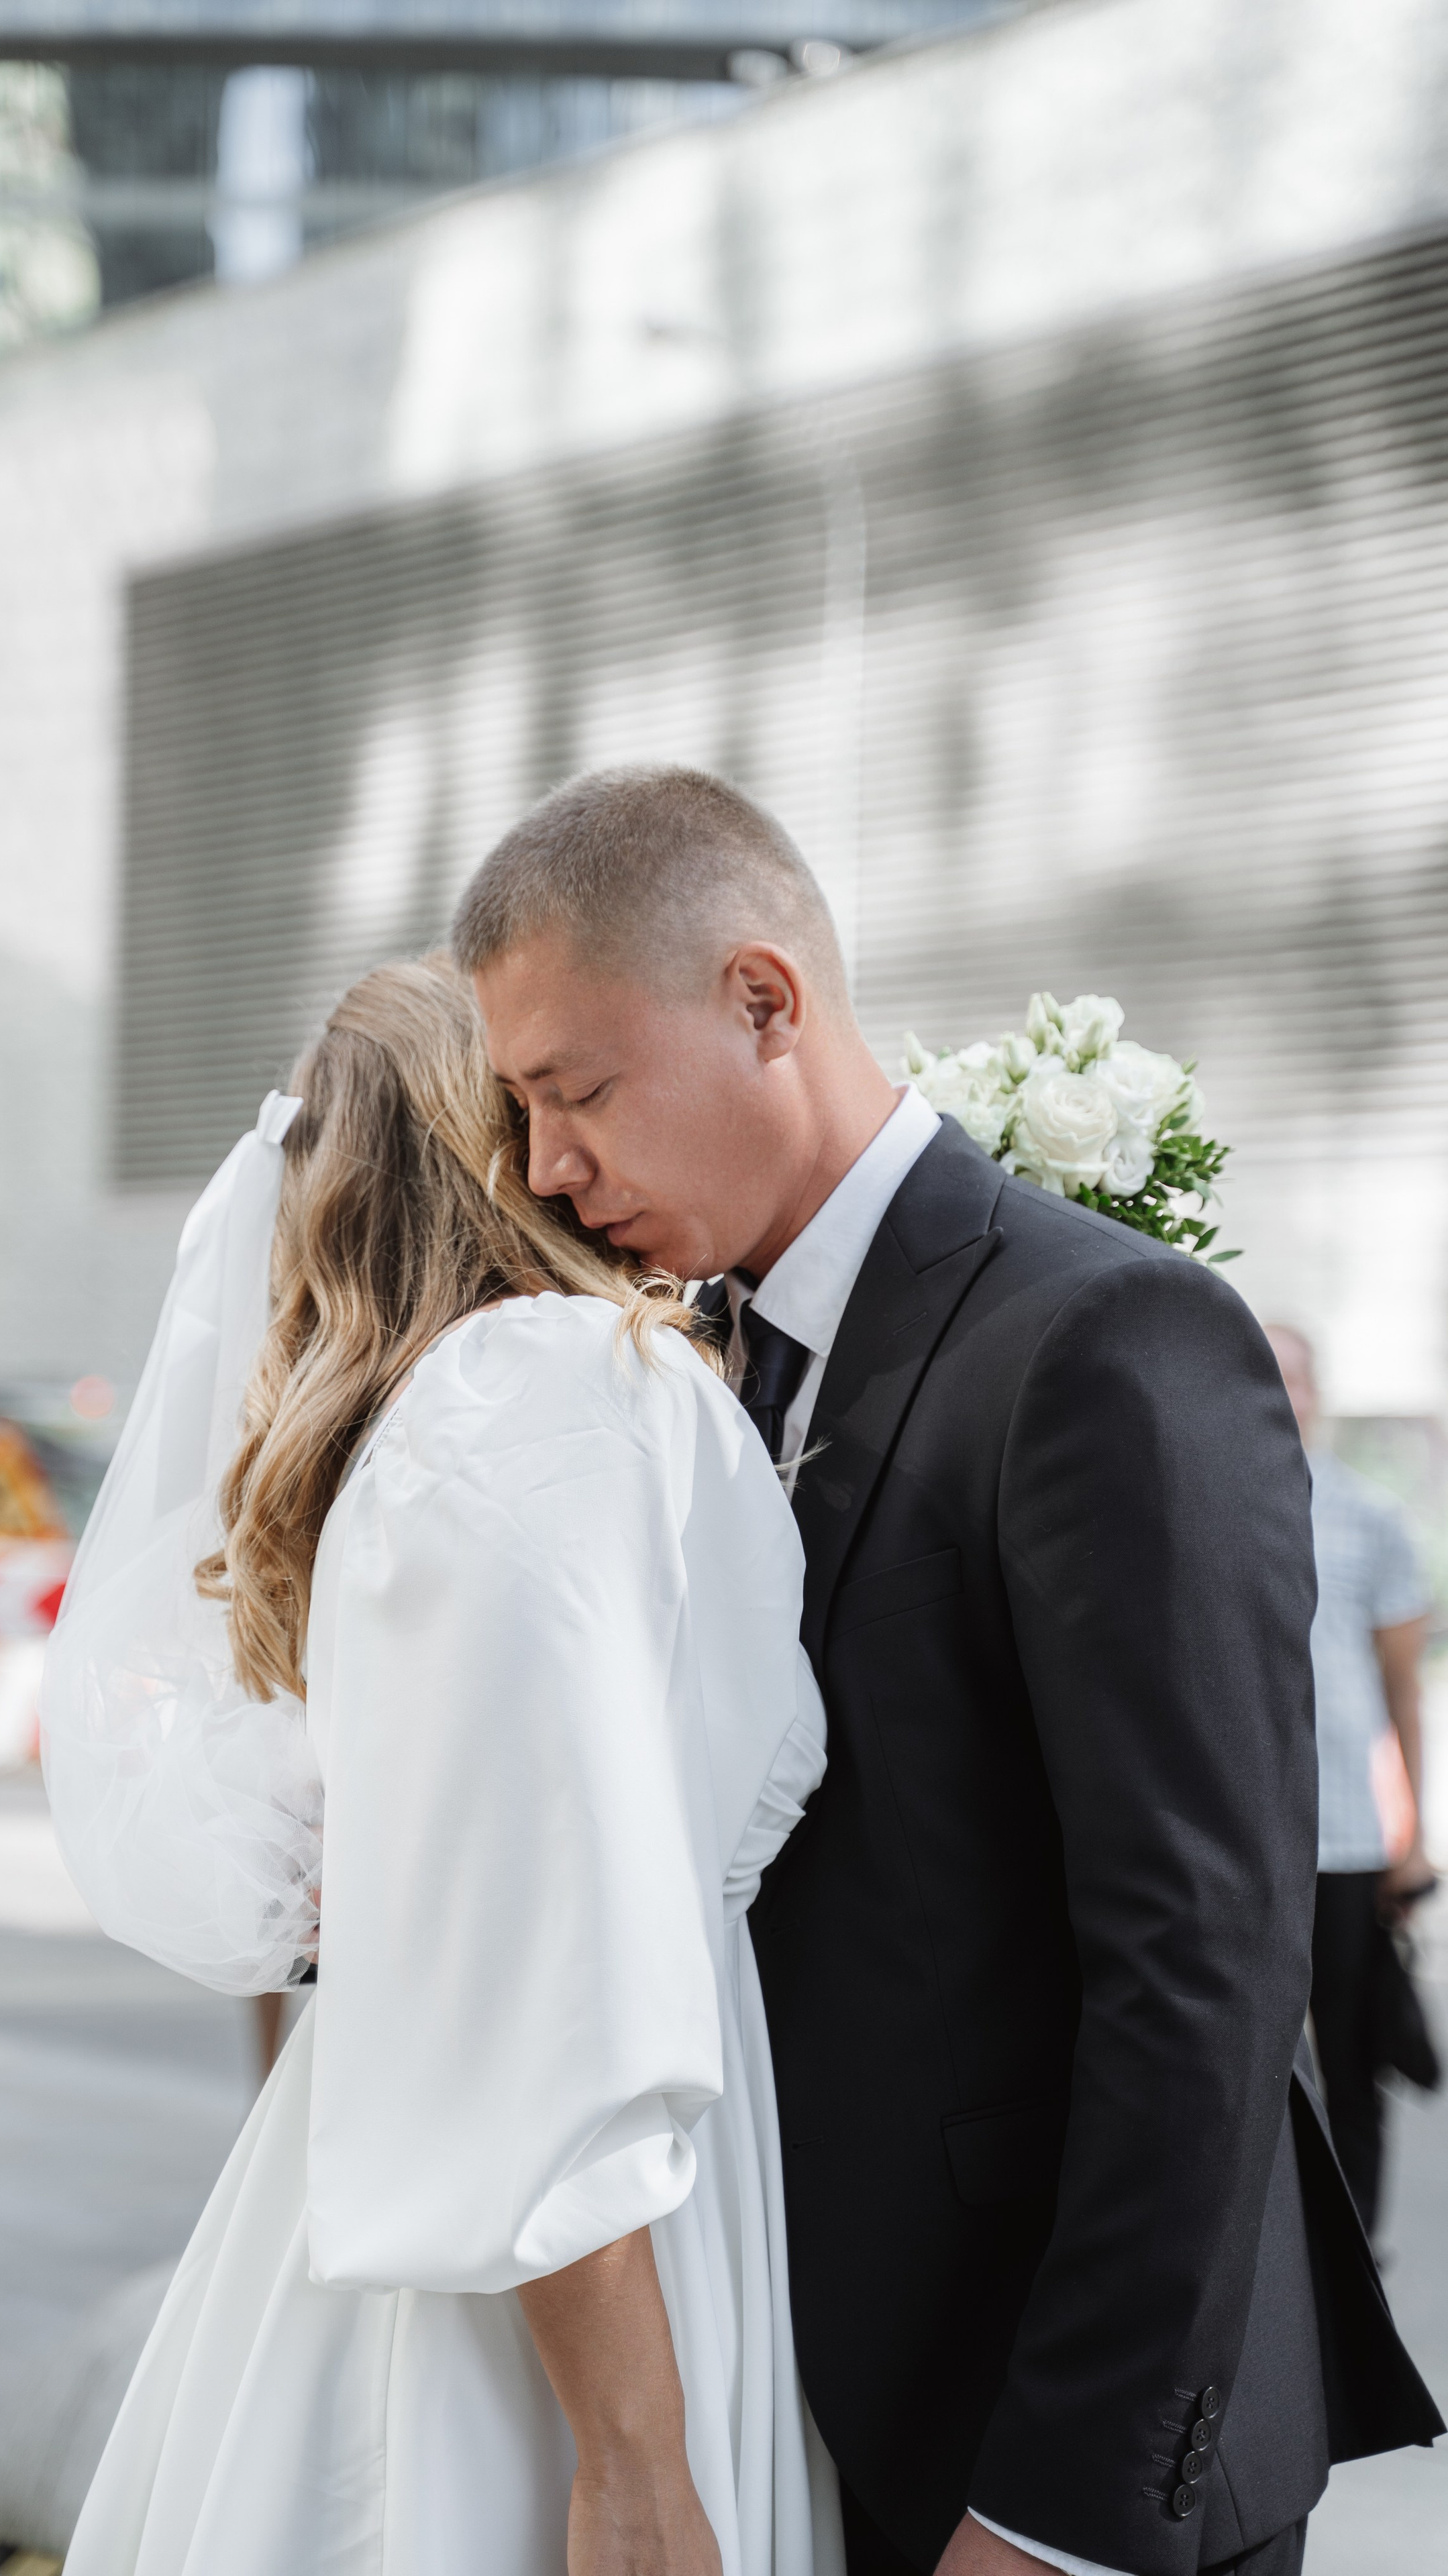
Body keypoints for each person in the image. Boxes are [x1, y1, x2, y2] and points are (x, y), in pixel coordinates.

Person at [458, 765, 1442, 2576]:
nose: (547, 1168)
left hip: (1036, 2450)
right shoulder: (701, 1372)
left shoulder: (1104, 1336)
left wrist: (1058, 2515)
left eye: (573, 1091)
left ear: (764, 1000)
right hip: (802, 2407)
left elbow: (1206, 1971)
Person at [42, 958, 841, 2575]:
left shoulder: (446, 1412)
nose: (577, 1149)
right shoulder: (539, 1394)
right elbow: (542, 1974)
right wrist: (633, 2454)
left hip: (469, 2168)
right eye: (551, 1097)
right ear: (496, 1140)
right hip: (569, 2243)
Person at [1264, 1323, 1436, 2237]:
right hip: (1252, 1837)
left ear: (1318, 1393)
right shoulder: (1211, 1499)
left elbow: (1402, 1696)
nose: (1281, 1397)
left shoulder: (1370, 1515)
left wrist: (1412, 1848)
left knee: (1353, 2053)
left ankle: (1360, 2244)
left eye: (1293, 1378)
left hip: (1349, 1836)